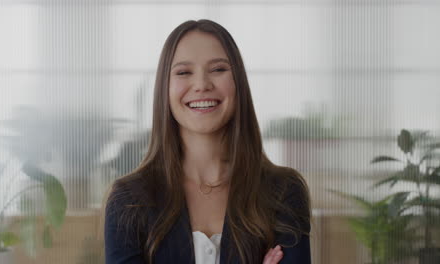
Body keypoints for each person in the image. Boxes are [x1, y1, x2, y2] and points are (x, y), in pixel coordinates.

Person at [104, 19, 311, 264]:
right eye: (183, 72)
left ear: (238, 83)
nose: (202, 85)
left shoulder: (284, 191)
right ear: (165, 89)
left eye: (218, 69)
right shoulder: (128, 201)